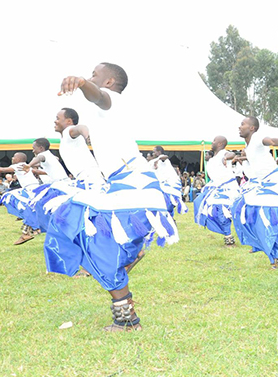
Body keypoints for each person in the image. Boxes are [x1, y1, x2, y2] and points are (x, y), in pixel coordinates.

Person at [46, 62, 179, 332]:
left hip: (134, 184)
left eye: (96, 74)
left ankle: (126, 314)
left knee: (75, 224)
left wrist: (83, 82)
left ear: (108, 82)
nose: (91, 76)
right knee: (85, 233)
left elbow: (100, 97)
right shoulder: (100, 116)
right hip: (123, 185)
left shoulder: (112, 100)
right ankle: (129, 262)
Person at [231, 117, 278, 269]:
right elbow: (255, 155)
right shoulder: (248, 146)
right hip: (258, 184)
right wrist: (240, 157)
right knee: (240, 210)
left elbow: (270, 141)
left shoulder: (258, 138)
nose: (239, 127)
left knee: (266, 220)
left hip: (272, 184)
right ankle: (262, 245)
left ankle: (277, 255)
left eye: (243, 124)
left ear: (252, 128)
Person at [193, 135, 240, 245]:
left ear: (219, 144)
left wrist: (226, 157)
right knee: (201, 204)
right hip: (216, 187)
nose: (212, 142)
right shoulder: (213, 159)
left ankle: (229, 237)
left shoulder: (224, 153)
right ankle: (227, 234)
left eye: (214, 141)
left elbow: (231, 154)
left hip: (227, 188)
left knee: (222, 211)